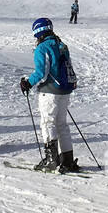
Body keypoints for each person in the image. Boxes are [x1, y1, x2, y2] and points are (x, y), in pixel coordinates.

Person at [20, 18, 79, 172]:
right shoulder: (61, 45)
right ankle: (67, 160)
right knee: (62, 125)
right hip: (64, 91)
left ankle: (51, 160)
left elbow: (41, 73)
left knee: (48, 123)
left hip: (50, 92)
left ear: (38, 32)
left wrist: (28, 83)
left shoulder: (42, 48)